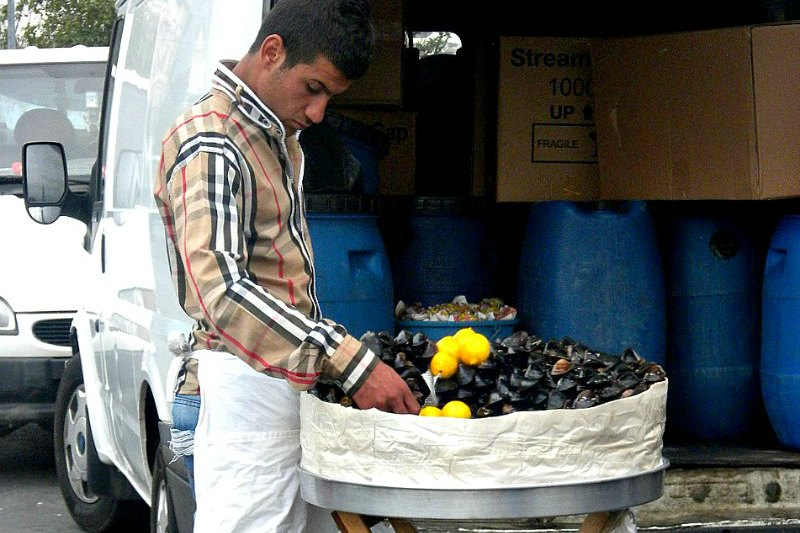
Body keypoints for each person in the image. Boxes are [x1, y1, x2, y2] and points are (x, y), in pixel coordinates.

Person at [153, 1, 420, 531]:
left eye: (330, 97)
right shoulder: (214, 140)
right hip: (242, 395)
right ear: (271, 51)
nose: (319, 113)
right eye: (313, 88)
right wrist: (347, 360)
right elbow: (221, 290)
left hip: (280, 390)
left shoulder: (272, 136)